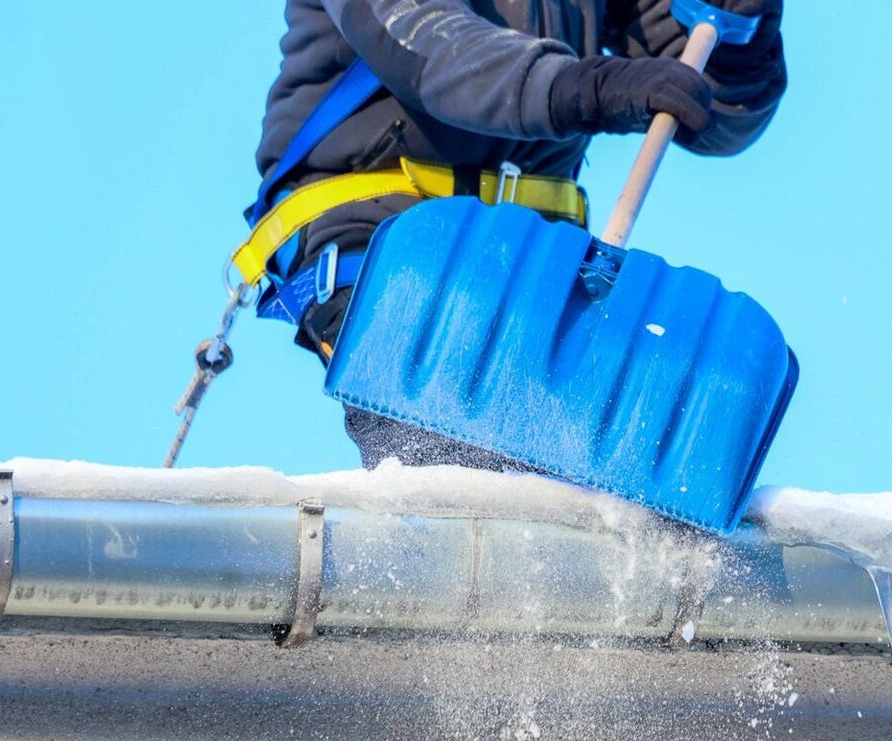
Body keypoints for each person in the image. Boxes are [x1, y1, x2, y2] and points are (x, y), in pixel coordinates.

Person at [253, 0, 786, 470]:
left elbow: (697, 93)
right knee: (452, 474)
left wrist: (740, 43)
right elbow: (431, 47)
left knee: (598, 491)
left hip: (537, 267)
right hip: (390, 242)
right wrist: (586, 88)